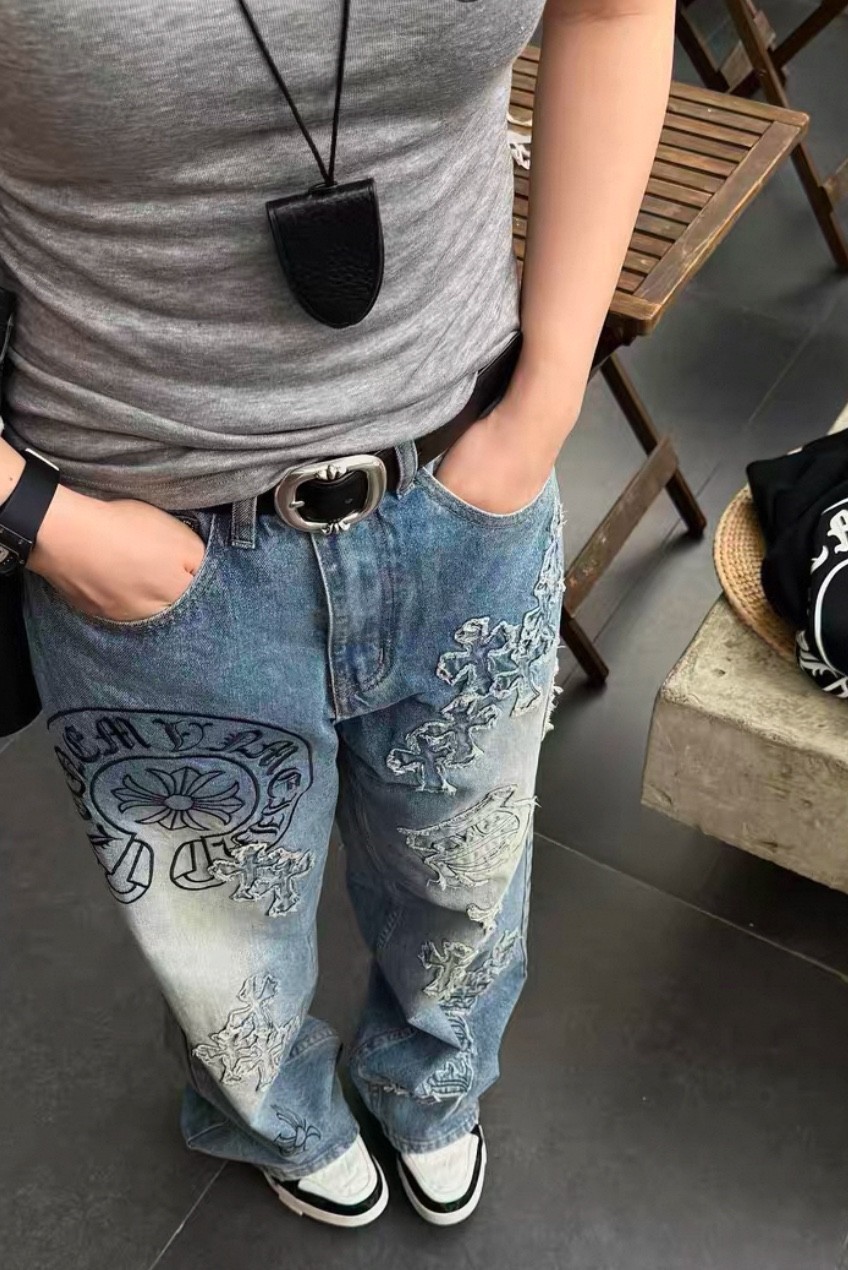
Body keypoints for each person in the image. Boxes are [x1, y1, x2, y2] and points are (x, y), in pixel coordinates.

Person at [0, 0, 674, 1230]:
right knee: (219, 932)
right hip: (143, 534)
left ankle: (434, 1083)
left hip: (465, 480)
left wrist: (544, 403)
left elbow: (614, 9)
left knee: (466, 869)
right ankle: (269, 1116)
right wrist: (41, 518)